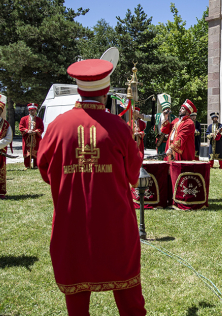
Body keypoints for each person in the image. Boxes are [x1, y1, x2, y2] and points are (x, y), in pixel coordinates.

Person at [37, 59, 146, 315]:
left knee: (76, 305)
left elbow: (44, 170)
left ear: (78, 89)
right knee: (130, 303)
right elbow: (133, 174)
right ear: (106, 91)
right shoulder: (119, 127)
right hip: (115, 225)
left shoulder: (56, 127)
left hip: (71, 223)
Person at [20, 103, 44, 169]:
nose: (32, 111)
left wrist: (35, 131)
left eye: (33, 110)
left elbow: (41, 128)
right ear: (29, 111)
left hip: (36, 138)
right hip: (27, 138)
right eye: (31, 110)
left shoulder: (39, 120)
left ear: (35, 111)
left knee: (37, 151)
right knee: (27, 151)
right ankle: (27, 165)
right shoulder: (23, 119)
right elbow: (21, 127)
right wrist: (27, 131)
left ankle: (36, 165)